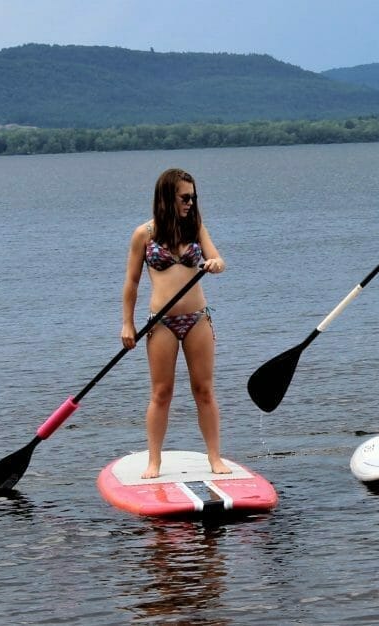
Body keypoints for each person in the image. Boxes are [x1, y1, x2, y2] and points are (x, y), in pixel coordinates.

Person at [121, 168, 230, 478]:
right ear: (167, 197)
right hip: (161, 324)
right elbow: (131, 284)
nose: (190, 203)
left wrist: (214, 264)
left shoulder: (196, 227)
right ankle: (154, 461)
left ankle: (215, 458)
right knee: (161, 393)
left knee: (204, 390)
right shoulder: (144, 234)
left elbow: (218, 259)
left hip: (197, 319)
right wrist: (127, 325)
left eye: (194, 197)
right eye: (185, 197)